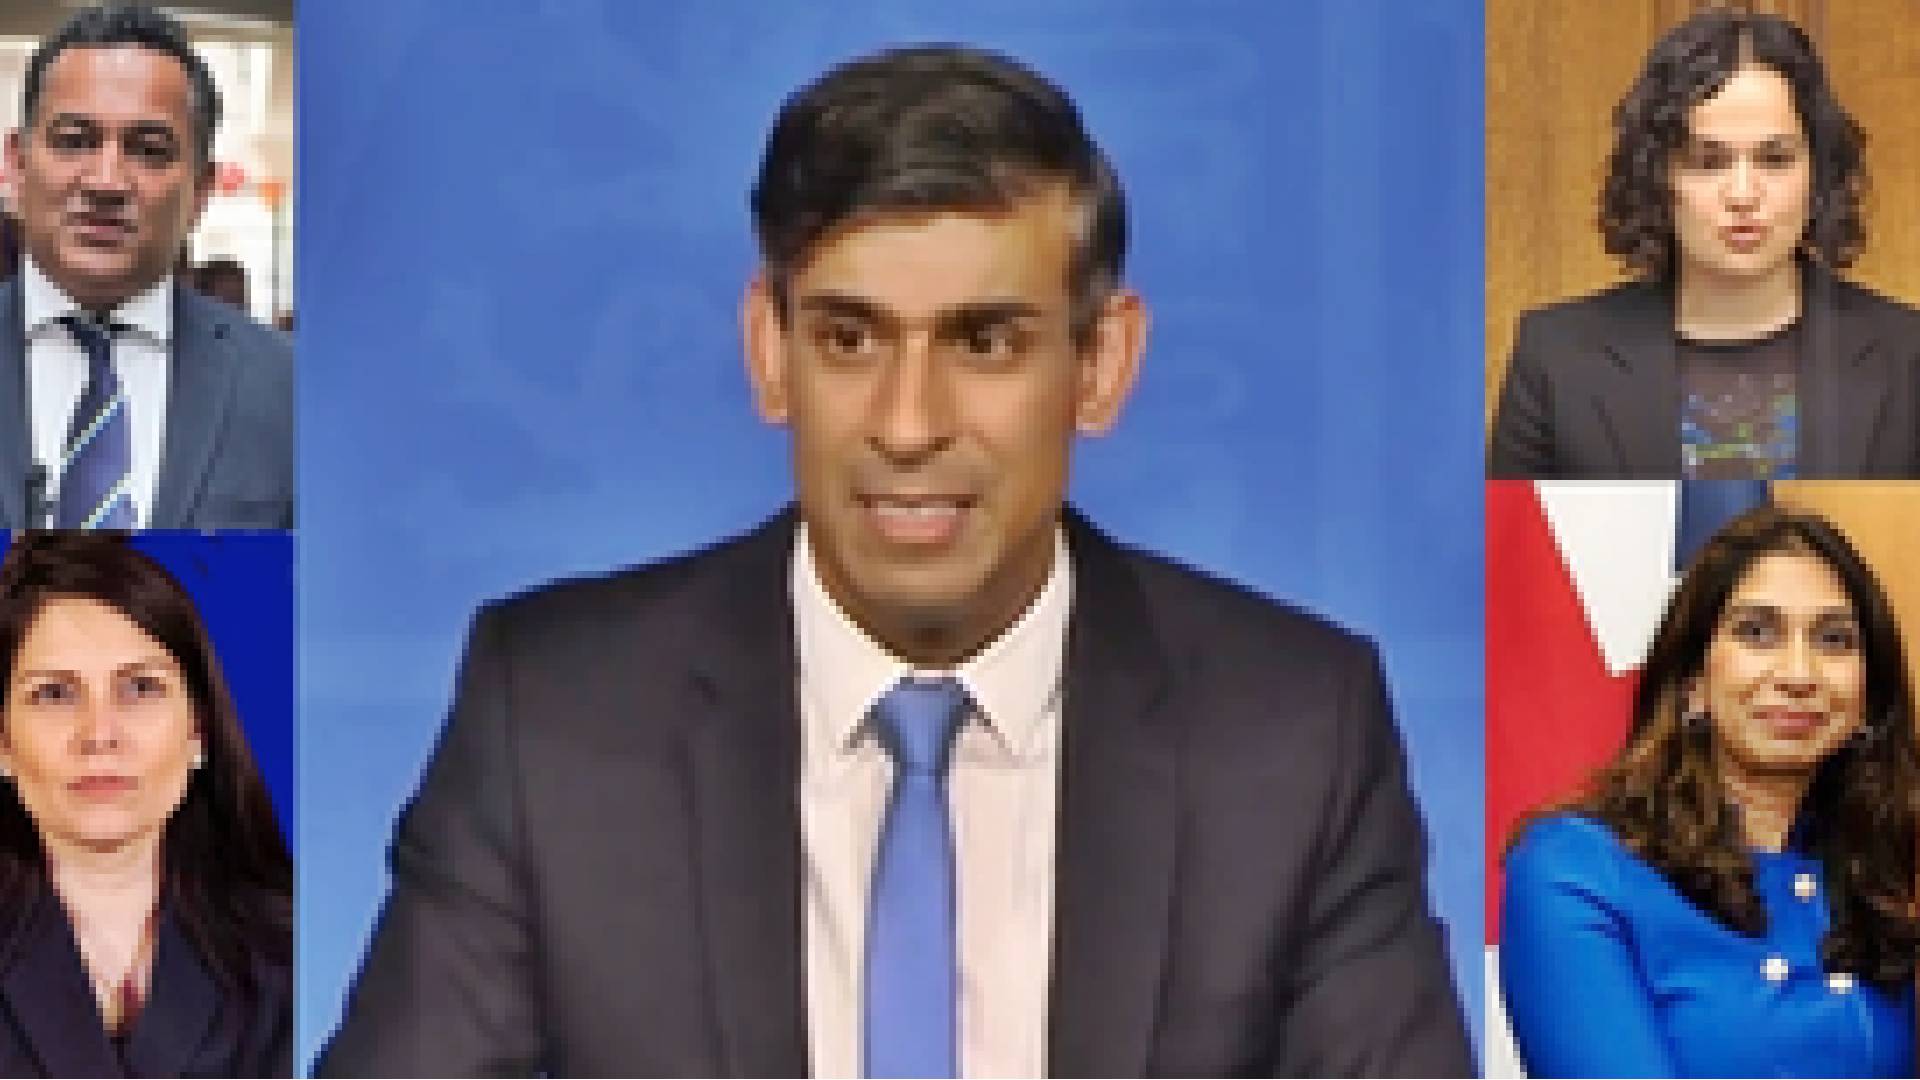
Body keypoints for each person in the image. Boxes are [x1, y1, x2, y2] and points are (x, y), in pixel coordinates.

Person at [317, 44, 1472, 1077]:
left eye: (986, 341)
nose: (908, 424)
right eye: (849, 338)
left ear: (1101, 365)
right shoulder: (551, 715)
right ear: (771, 353)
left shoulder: (1294, 732)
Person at [1500, 505, 1918, 1077]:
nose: (1799, 674)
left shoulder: (1884, 874)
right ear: (1692, 681)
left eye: (1834, 639)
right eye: (1757, 633)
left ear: (1869, 698)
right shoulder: (1578, 867)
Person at [1487, 11, 1920, 479]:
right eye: (1708, 162)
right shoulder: (1555, 356)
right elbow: (1508, 527)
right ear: (1656, 175)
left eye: (1775, 159)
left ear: (1817, 174)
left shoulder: (1907, 354)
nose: (1743, 195)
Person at [0, 532, 292, 1076]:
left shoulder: (291, 957)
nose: (100, 735)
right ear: (4, 745)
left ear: (198, 731)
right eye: (55, 694)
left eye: (139, 688)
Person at [0, 4, 293, 531]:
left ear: (200, 191)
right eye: (74, 141)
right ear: (17, 166)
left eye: (149, 151)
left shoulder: (287, 388)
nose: (106, 181)